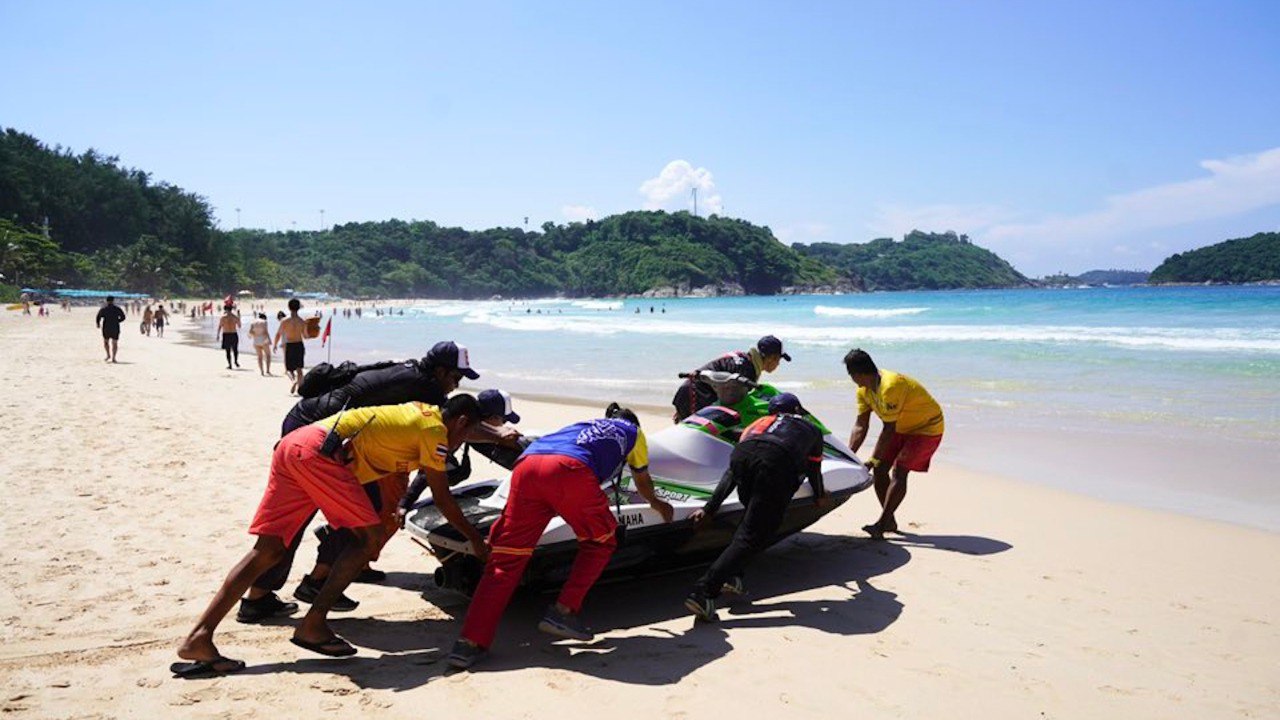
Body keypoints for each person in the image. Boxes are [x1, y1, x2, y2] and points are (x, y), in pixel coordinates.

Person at [173, 395, 488, 677]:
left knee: (267, 551)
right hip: (320, 454)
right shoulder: (435, 432)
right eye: (467, 435)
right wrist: (475, 540)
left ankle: (199, 637)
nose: (462, 443)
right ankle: (313, 625)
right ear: (460, 422)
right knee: (367, 540)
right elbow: (443, 497)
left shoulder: (420, 414)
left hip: (295, 445)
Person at [237, 341, 504, 620]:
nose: (455, 385)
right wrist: (502, 437)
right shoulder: (427, 388)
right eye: (455, 377)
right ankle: (313, 585)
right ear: (439, 371)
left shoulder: (410, 371)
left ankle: (265, 595)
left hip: (309, 427)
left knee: (320, 517)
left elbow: (455, 427)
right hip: (323, 440)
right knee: (360, 515)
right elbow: (455, 428)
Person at [447, 405, 675, 670]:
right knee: (601, 541)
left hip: (527, 466)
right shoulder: (634, 432)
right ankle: (563, 611)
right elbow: (642, 480)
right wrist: (658, 504)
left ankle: (468, 644)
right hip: (569, 469)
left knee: (506, 561)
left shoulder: (584, 424)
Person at [683, 393, 827, 621]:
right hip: (775, 462)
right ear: (799, 410)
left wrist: (710, 509)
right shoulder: (810, 428)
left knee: (750, 522)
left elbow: (730, 473)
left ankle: (733, 575)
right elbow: (814, 469)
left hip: (742, 457)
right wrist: (819, 496)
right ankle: (704, 591)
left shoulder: (756, 425)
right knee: (754, 533)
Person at [844, 348, 945, 539]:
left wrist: (873, 459)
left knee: (899, 470)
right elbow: (861, 424)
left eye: (851, 375)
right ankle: (889, 520)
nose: (852, 380)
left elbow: (888, 429)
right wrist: (848, 454)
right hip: (902, 427)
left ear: (858, 374)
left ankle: (882, 524)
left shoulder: (890, 386)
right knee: (880, 470)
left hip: (926, 428)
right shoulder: (863, 391)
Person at [672, 335, 792, 422]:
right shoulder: (747, 371)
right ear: (772, 358)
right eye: (779, 360)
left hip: (689, 390)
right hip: (696, 395)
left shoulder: (744, 359)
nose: (778, 364)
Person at [274, 299, 307, 394]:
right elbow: (305, 336)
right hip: (299, 344)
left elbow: (278, 334)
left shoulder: (285, 321)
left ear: (289, 308)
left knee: (289, 369)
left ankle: (293, 381)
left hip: (290, 345)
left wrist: (275, 344)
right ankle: (300, 389)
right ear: (298, 308)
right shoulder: (302, 321)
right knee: (299, 369)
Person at [95, 296, 127, 363]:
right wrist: (118, 321)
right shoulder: (117, 308)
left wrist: (98, 324)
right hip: (115, 326)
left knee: (106, 342)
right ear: (113, 301)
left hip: (106, 327)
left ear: (106, 301)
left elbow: (98, 317)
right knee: (114, 343)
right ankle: (113, 357)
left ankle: (108, 355)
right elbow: (123, 317)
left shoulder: (104, 309)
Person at [218, 305, 242, 369]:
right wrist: (239, 318)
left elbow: (220, 326)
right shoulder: (235, 317)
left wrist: (218, 335)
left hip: (226, 334)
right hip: (234, 334)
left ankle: (230, 364)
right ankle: (235, 361)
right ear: (231, 309)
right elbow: (239, 326)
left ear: (225, 310)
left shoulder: (223, 317)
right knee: (235, 349)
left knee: (228, 351)